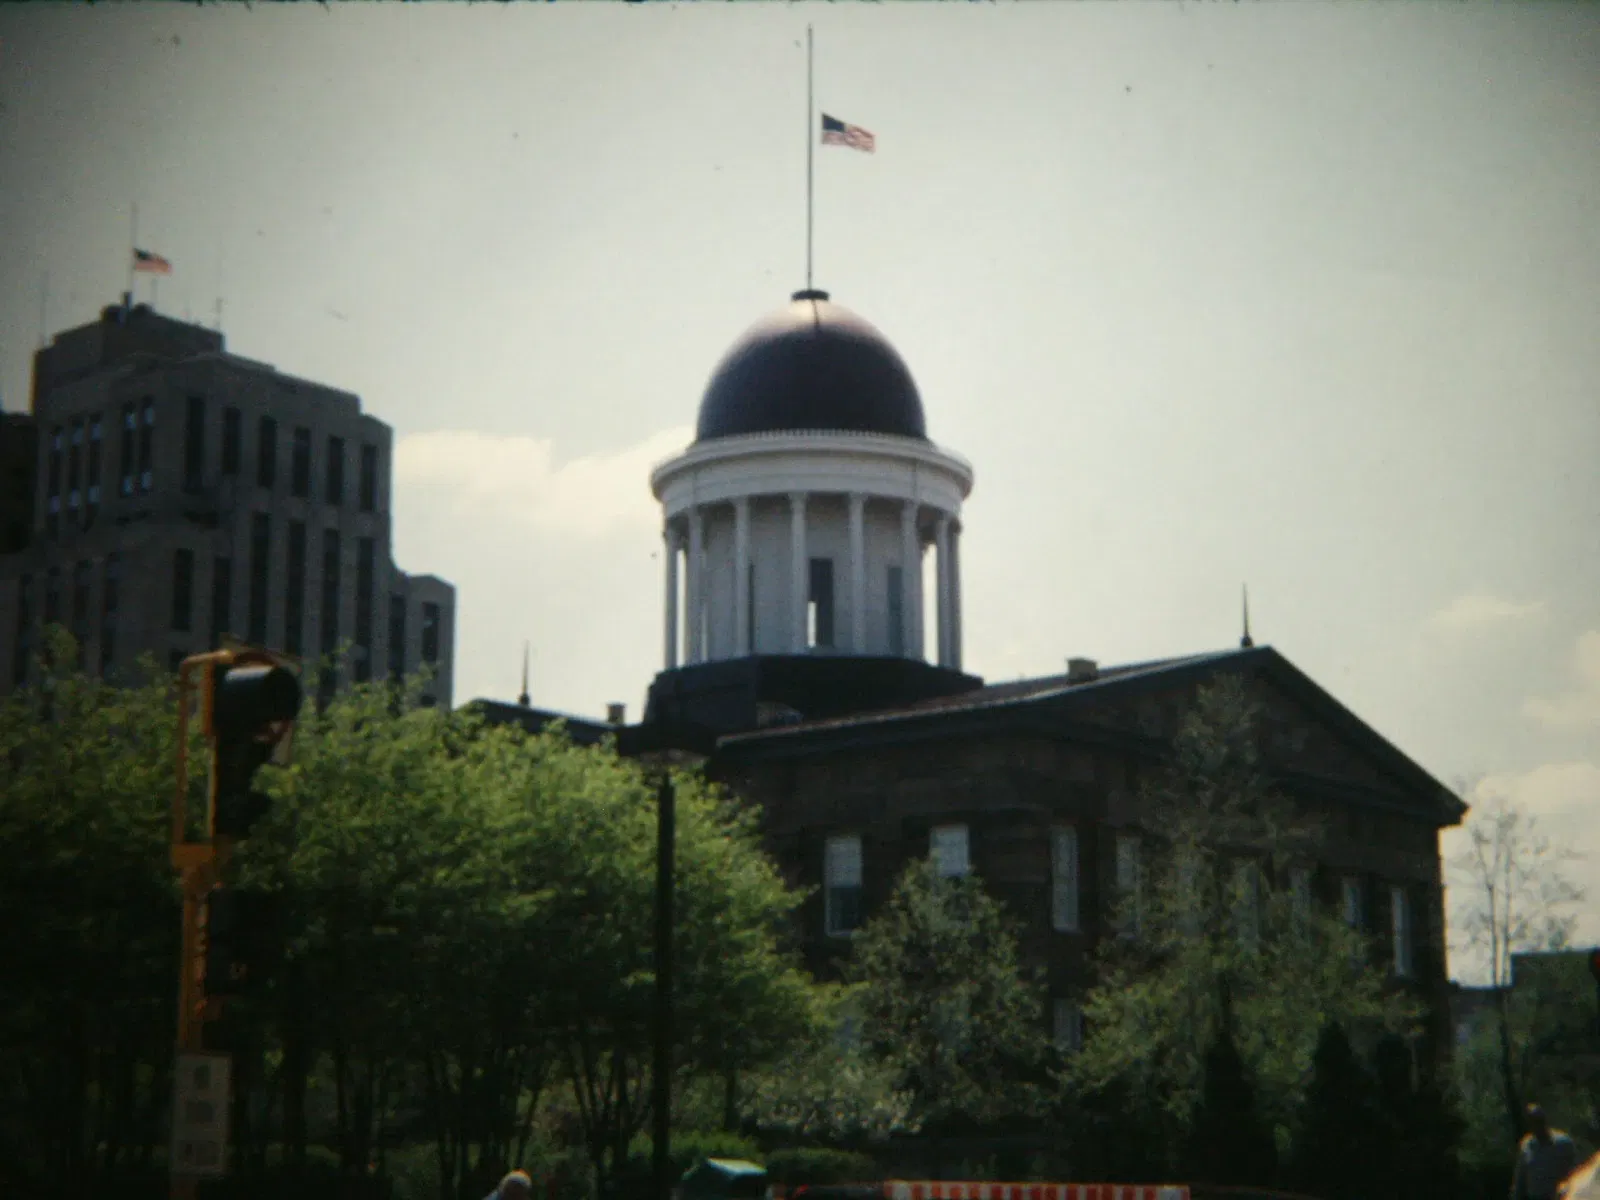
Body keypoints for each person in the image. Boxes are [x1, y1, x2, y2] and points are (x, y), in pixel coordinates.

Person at [1511, 1104, 1580, 1200]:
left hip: (1560, 1196)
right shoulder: (1527, 1145)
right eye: (1532, 1122)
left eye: (1538, 1121)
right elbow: (1520, 1177)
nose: (1536, 1126)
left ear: (1544, 1120)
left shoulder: (1562, 1143)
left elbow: (1577, 1170)